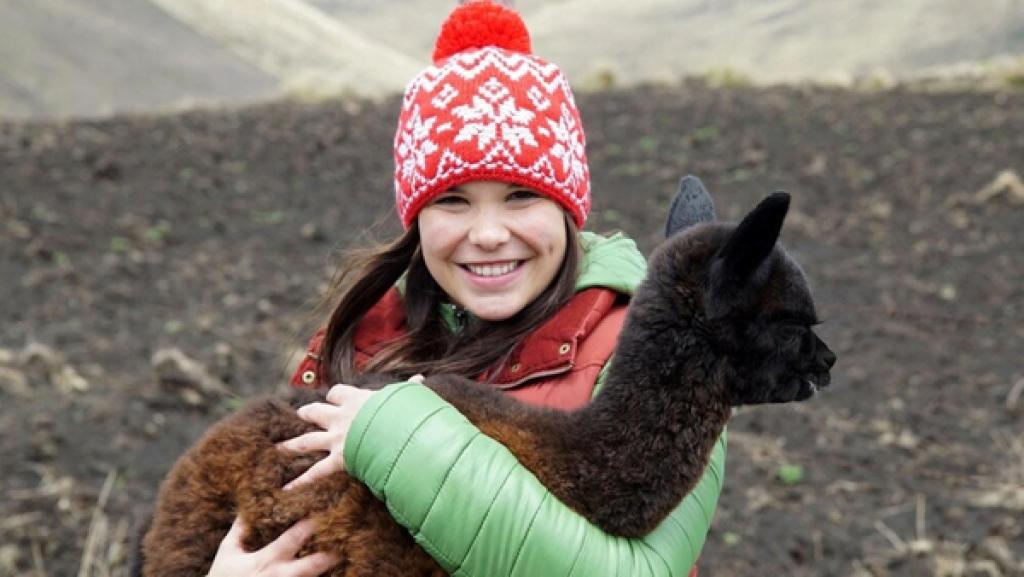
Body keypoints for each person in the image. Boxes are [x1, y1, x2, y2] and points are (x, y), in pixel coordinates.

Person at [206, 2, 726, 576]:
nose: (487, 235)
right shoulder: (366, 338)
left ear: (568, 209)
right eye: (452, 201)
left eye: (520, 196)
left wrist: (398, 438)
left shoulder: (656, 352)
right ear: (418, 219)